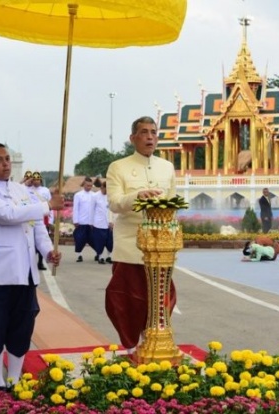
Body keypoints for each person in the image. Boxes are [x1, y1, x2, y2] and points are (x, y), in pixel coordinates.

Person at [0, 143, 62, 393]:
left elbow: (37, 227)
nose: (6, 163)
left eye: (8, 158)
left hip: (25, 273)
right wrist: (47, 205)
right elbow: (7, 215)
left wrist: (47, 251)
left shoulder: (22, 191)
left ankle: (14, 379)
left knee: (21, 329)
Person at [105, 116, 177, 354]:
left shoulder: (166, 167)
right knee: (128, 301)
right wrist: (138, 196)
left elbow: (173, 204)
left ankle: (156, 344)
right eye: (144, 132)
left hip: (161, 247)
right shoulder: (118, 167)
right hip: (130, 246)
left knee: (162, 299)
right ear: (133, 138)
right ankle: (131, 348)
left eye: (154, 132)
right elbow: (115, 203)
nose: (150, 137)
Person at [72, 176, 95, 262]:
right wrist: (75, 220)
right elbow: (75, 208)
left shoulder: (94, 195)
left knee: (93, 239)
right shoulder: (78, 195)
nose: (89, 187)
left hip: (91, 222)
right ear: (84, 185)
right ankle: (79, 255)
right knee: (80, 239)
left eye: (90, 185)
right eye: (87, 185)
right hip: (81, 221)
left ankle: (98, 254)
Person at [92, 180, 113, 264]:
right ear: (101, 187)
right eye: (105, 189)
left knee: (110, 241)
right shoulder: (95, 196)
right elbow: (91, 210)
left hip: (109, 222)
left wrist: (112, 221)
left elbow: (112, 210)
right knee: (100, 241)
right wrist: (92, 222)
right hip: (99, 223)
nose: (107, 191)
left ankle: (109, 256)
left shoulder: (110, 196)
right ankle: (100, 256)